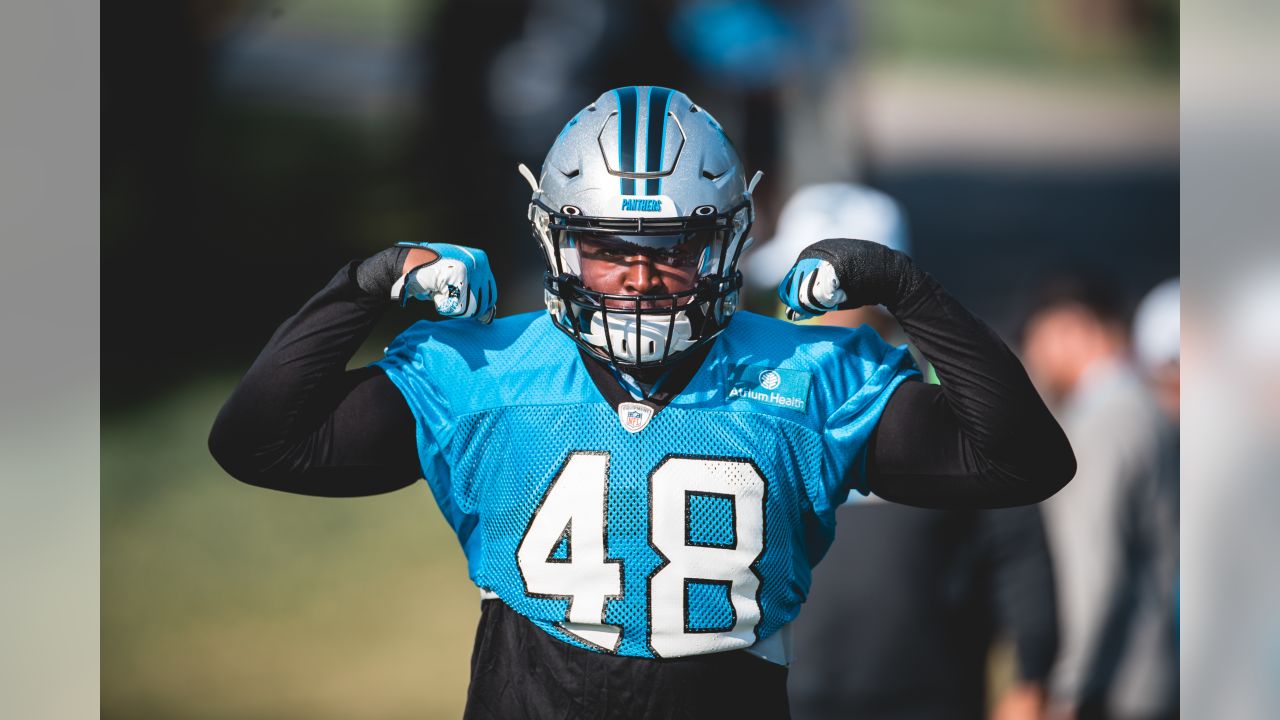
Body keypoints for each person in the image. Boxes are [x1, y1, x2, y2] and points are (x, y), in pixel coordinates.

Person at [209, 86, 1075, 719]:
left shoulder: (808, 377)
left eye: (673, 249)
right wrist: (365, 285)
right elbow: (260, 442)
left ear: (727, 242)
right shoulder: (485, 371)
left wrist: (908, 290)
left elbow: (1022, 459)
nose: (638, 278)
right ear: (558, 240)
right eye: (607, 249)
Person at [762, 184, 1058, 720]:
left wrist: (1032, 674)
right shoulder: (765, 383)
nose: (788, 308)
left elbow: (1015, 540)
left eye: (808, 291)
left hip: (928, 689)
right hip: (793, 691)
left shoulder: (945, 381)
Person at [1020, 273, 1178, 720]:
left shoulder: (1103, 424)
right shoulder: (1147, 408)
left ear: (1073, 328)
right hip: (1153, 672)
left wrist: (1067, 688)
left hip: (1113, 685)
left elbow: (1092, 569)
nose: (1032, 357)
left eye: (1037, 338)